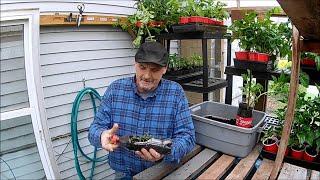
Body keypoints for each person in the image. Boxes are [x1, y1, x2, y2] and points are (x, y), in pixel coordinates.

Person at [88, 41, 195, 179]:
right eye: (142, 67)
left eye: (154, 70)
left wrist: (166, 151)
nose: (146, 76)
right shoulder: (115, 90)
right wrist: (101, 135)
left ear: (165, 68)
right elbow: (94, 128)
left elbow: (188, 137)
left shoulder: (175, 93)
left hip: (161, 172)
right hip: (122, 173)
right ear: (135, 63)